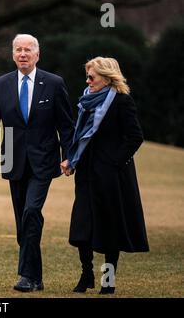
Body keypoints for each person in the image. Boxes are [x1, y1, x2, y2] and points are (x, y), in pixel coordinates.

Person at [0, 34, 74, 292]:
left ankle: (25, 276)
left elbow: (66, 125)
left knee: (31, 211)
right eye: (18, 50)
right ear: (13, 55)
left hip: (44, 161)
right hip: (13, 160)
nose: (23, 54)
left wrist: (69, 155)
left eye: (28, 50)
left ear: (37, 55)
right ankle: (37, 278)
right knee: (23, 223)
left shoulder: (54, 84)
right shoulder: (0, 85)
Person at [62, 56, 149, 295]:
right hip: (86, 173)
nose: (88, 81)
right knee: (82, 227)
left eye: (92, 77)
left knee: (110, 229)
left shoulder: (122, 101)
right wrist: (72, 158)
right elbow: (81, 136)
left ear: (107, 78)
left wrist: (113, 162)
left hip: (112, 177)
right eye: (87, 76)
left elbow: (135, 137)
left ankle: (108, 280)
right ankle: (86, 274)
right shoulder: (85, 102)